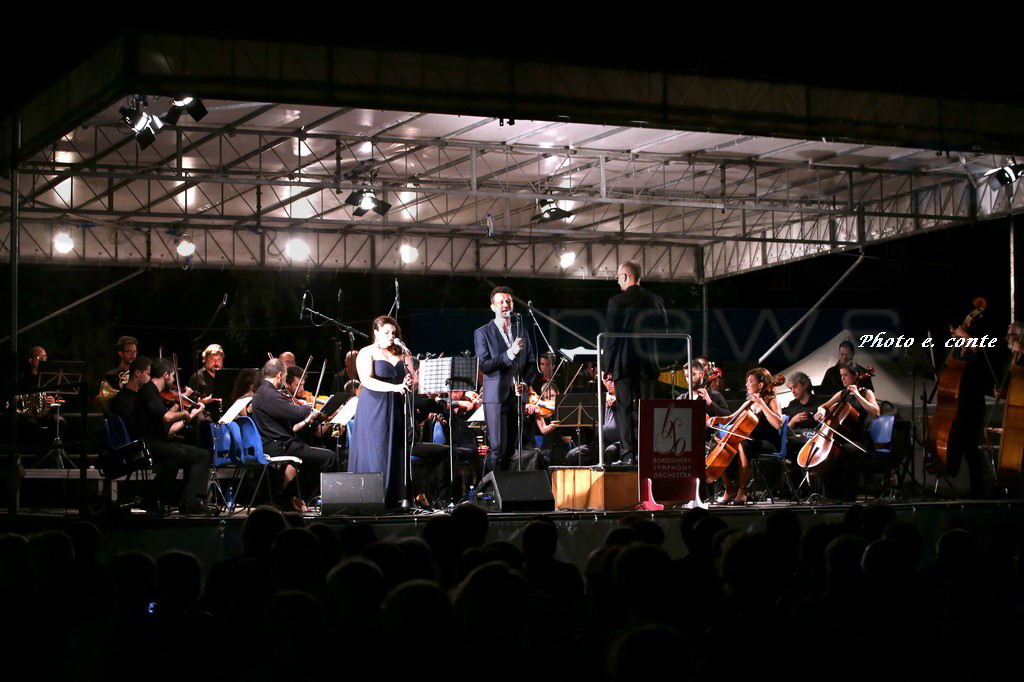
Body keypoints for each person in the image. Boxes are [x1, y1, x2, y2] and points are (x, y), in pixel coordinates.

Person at [251, 359, 337, 512]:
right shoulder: (269, 394)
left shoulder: (262, 392)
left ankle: (287, 496)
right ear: (279, 375)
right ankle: (287, 496)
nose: (284, 381)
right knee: (329, 458)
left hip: (276, 444)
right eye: (285, 377)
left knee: (315, 460)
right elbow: (296, 413)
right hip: (280, 446)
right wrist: (307, 408)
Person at [349, 315, 416, 508]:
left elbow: (413, 380)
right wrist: (394, 387)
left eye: (393, 333)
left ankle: (397, 498)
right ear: (376, 333)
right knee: (377, 450)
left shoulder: (403, 353)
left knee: (396, 448)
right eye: (386, 332)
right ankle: (373, 499)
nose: (391, 336)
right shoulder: (367, 352)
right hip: (374, 406)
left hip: (397, 405)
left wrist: (409, 381)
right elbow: (366, 380)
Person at [605, 260, 668, 464]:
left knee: (624, 409)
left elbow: (612, 336)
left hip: (623, 363)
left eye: (618, 277)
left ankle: (627, 456)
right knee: (647, 411)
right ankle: (647, 453)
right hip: (648, 363)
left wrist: (607, 366)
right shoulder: (656, 300)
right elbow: (664, 332)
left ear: (625, 276)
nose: (617, 282)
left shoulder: (617, 301)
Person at [133, 357, 212, 515]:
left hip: (159, 440)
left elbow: (166, 423)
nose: (174, 380)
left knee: (202, 455)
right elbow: (168, 417)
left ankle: (191, 502)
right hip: (146, 443)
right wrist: (186, 414)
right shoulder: (147, 392)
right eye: (173, 376)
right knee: (177, 454)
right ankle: (152, 497)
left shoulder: (154, 393)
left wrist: (186, 410)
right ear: (165, 375)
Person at [473, 286, 537, 475]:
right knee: (497, 449)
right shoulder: (483, 332)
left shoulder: (521, 331)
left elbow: (531, 363)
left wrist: (525, 383)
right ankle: (488, 488)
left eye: (508, 301)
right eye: (500, 302)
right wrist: (510, 353)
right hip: (496, 398)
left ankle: (506, 488)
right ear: (493, 307)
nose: (505, 305)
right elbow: (484, 365)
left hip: (517, 398)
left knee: (511, 450)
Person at [708, 367, 783, 505]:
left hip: (768, 442)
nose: (746, 384)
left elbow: (778, 424)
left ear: (760, 385)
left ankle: (743, 490)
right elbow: (731, 418)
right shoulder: (749, 403)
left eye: (750, 381)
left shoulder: (772, 401)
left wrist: (762, 404)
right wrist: (717, 419)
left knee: (742, 443)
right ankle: (729, 488)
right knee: (720, 445)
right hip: (751, 442)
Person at [813, 362, 880, 501]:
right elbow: (823, 406)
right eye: (841, 375)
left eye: (846, 375)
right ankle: (828, 496)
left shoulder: (866, 392)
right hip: (840, 438)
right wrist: (821, 411)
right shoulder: (842, 394)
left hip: (858, 439)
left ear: (856, 375)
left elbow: (876, 413)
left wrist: (857, 395)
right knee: (825, 455)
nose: (842, 378)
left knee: (845, 452)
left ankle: (846, 497)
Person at [566, 373, 621, 466]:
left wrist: (617, 401)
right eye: (606, 381)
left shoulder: (625, 399)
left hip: (617, 443)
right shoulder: (599, 399)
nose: (609, 383)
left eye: (611, 381)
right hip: (599, 443)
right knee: (572, 455)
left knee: (609, 452)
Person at [107, 356, 152, 435]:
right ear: (137, 373)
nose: (151, 379)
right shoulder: (120, 401)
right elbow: (133, 430)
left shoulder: (143, 395)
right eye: (149, 375)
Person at [782, 371, 824, 452]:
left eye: (795, 387)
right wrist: (793, 420)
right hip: (795, 443)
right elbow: (786, 431)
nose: (793, 391)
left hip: (815, 442)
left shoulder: (819, 403)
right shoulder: (792, 404)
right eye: (791, 388)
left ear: (805, 385)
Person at [96, 335, 138, 410]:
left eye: (134, 352)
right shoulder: (111, 376)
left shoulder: (138, 374)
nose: (133, 355)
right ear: (120, 354)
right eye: (129, 352)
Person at [187, 344, 224, 415]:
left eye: (219, 359)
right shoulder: (197, 377)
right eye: (212, 359)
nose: (216, 363)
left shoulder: (224, 375)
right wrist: (207, 400)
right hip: (204, 413)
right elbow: (190, 402)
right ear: (205, 360)